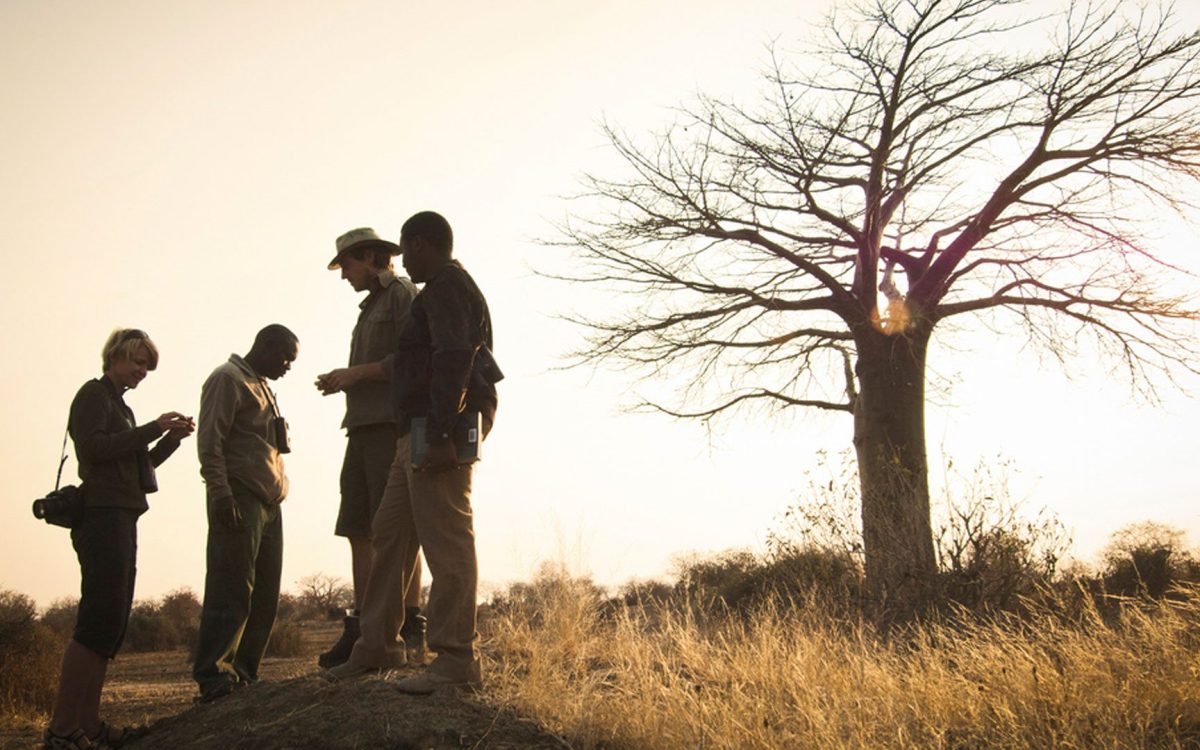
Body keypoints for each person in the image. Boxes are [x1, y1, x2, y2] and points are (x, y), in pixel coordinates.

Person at [327, 210, 499, 694]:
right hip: (416, 431)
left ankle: (456, 659)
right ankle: (376, 646)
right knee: (389, 534)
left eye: (407, 248)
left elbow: (453, 358)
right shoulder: (439, 289)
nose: (405, 261)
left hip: (434, 431)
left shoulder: (447, 286)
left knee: (446, 541)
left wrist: (442, 433)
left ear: (422, 244)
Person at [44, 329, 194, 750]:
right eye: (137, 362)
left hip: (123, 515)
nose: (142, 371)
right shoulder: (92, 395)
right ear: (114, 357)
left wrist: (170, 440)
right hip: (101, 517)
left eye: (147, 365)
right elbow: (93, 450)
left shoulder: (121, 407)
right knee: (94, 622)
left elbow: (137, 466)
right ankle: (60, 729)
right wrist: (151, 427)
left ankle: (88, 726)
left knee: (110, 623)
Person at [313, 227, 426, 668]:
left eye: (347, 265)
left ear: (368, 257)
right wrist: (345, 379)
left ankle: (406, 624)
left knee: (395, 531)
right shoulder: (370, 305)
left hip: (389, 429)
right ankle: (364, 627)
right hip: (360, 427)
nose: (343, 276)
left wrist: (356, 375)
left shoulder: (401, 294)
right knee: (359, 527)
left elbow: (415, 361)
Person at [192, 324, 298, 703]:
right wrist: (220, 494)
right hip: (238, 496)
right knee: (230, 586)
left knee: (265, 593)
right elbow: (210, 442)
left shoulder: (263, 384)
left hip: (269, 503)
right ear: (265, 346)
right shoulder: (227, 379)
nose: (287, 367)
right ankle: (215, 674)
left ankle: (244, 673)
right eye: (285, 357)